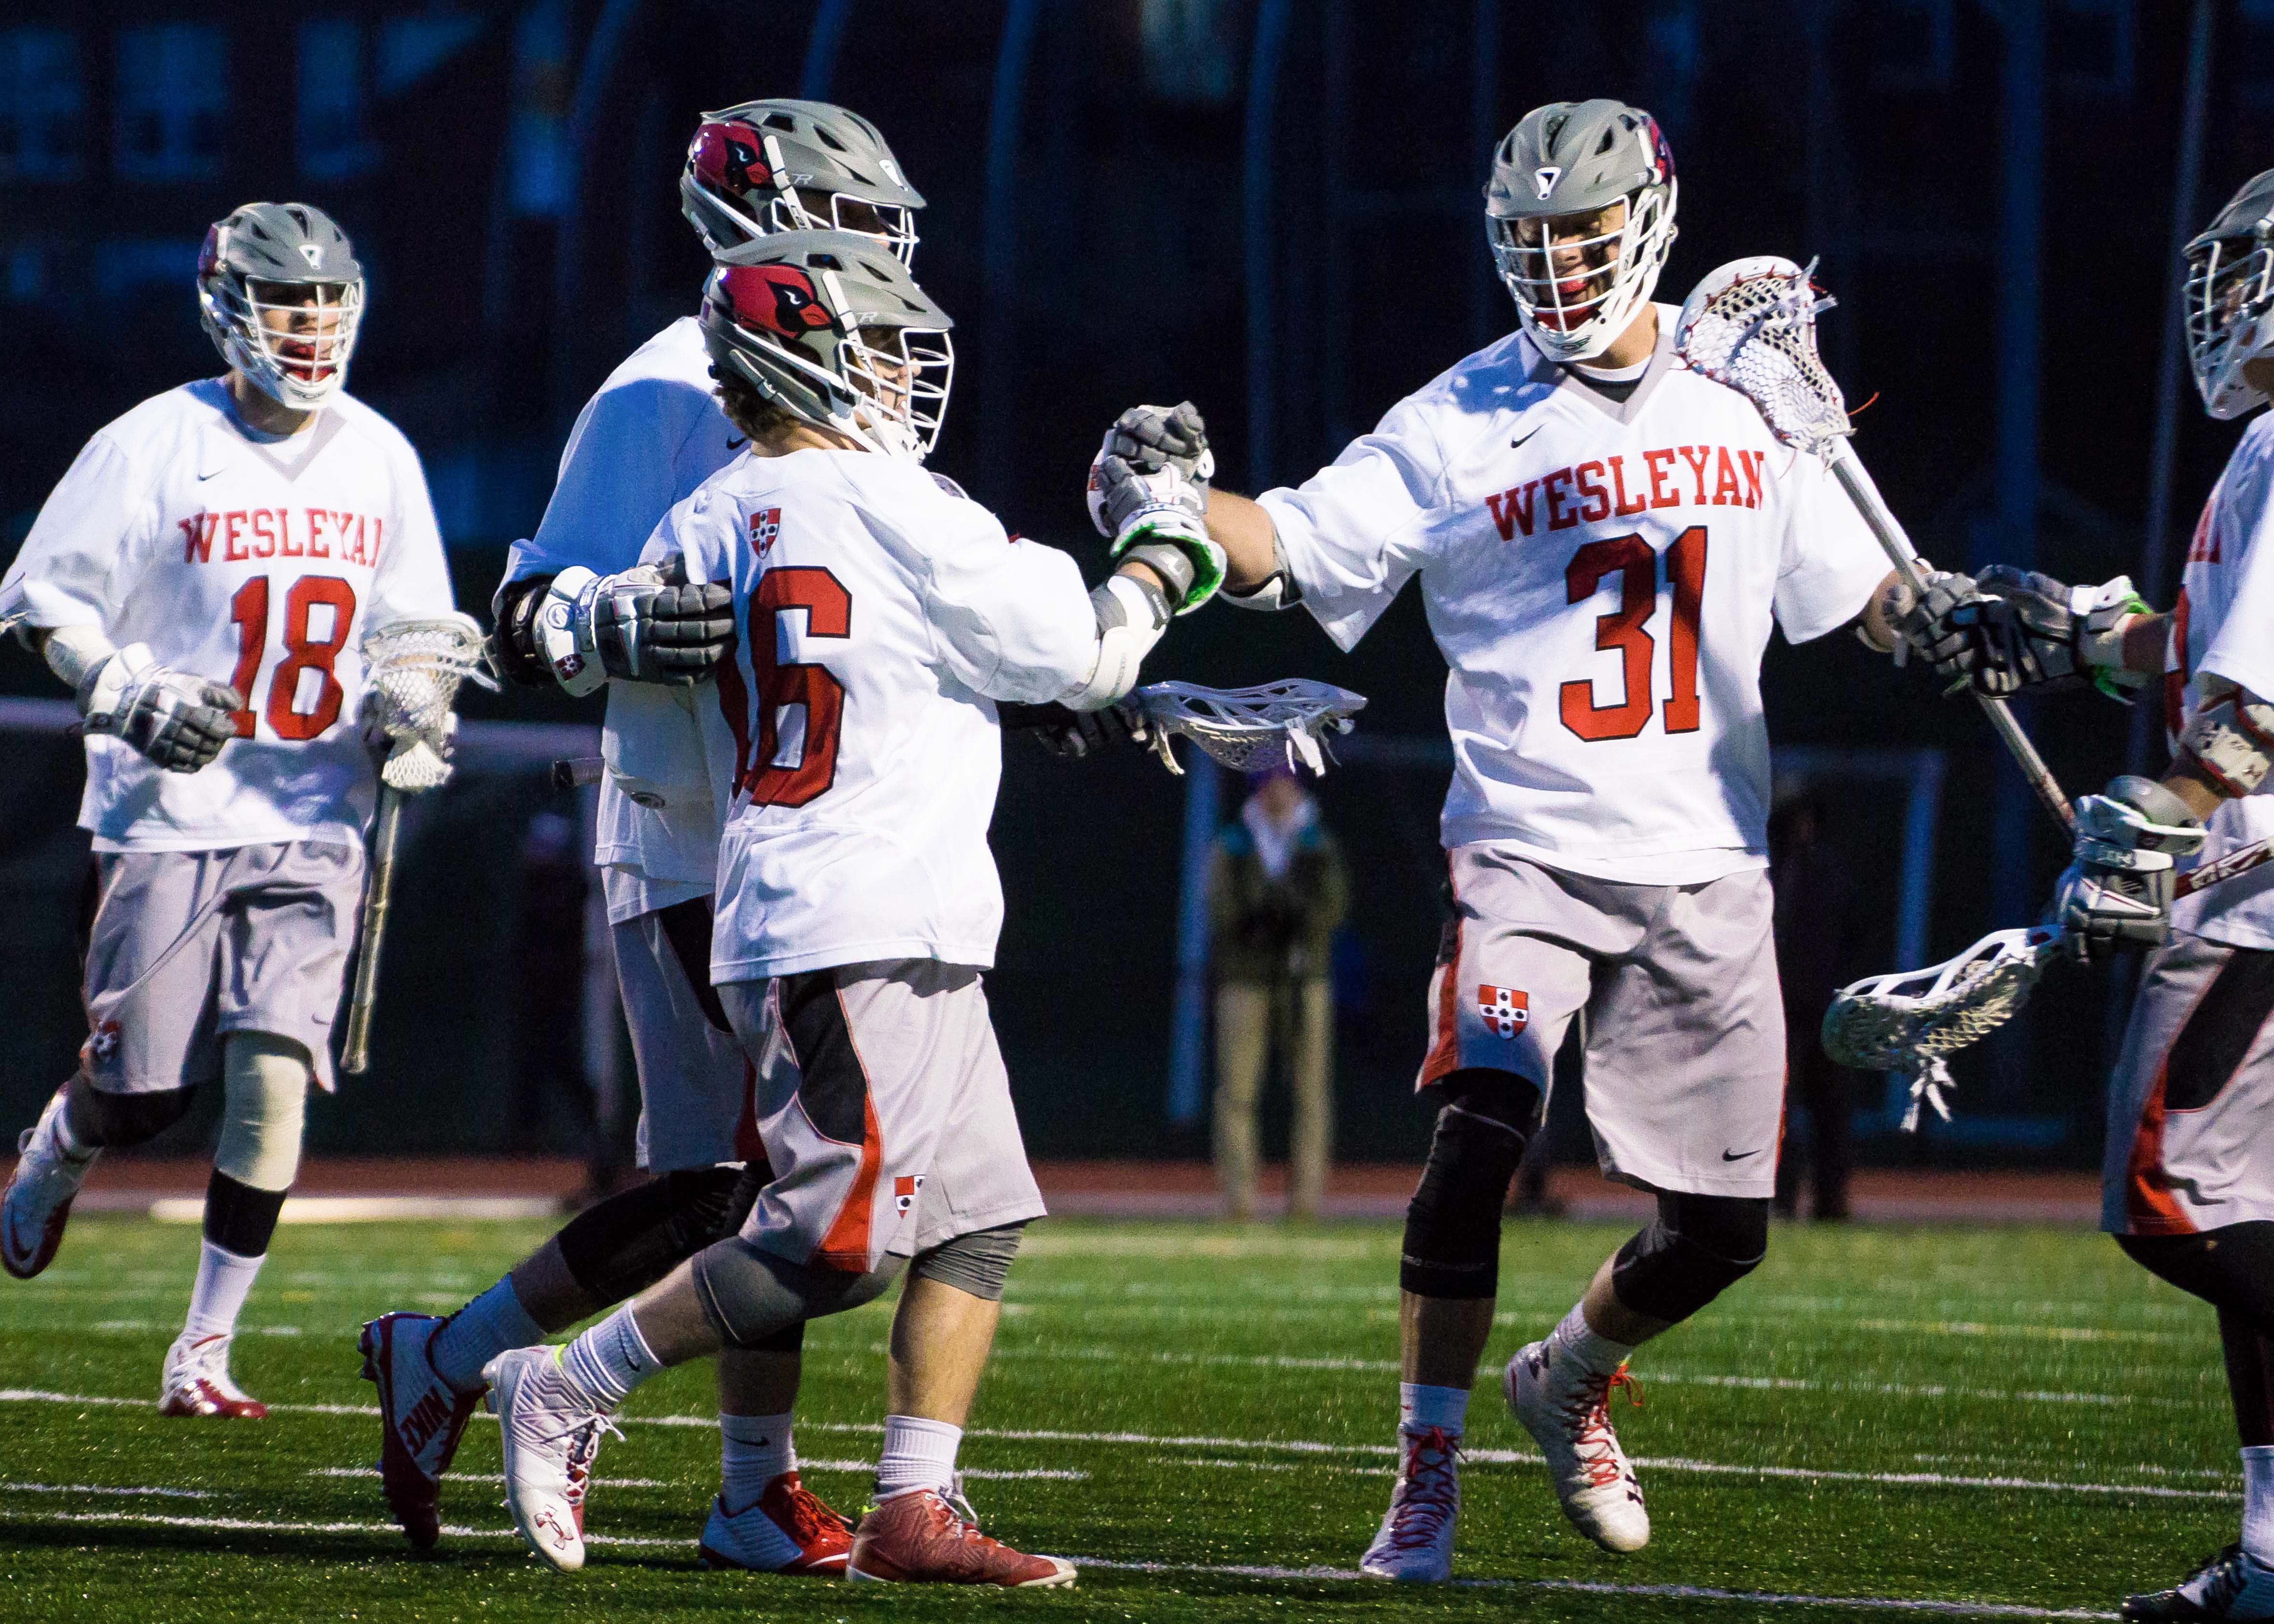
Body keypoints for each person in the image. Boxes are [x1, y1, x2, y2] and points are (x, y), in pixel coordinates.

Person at [1088, 98, 1918, 1580]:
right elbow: (1290, 547)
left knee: (1724, 1228)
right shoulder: (1459, 416)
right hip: (1526, 842)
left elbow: (1861, 598)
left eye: (1584, 235)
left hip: (1707, 855)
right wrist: (1176, 504)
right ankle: (1425, 1471)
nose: (1559, 265)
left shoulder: (1743, 391)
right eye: (1533, 239)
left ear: (1649, 221)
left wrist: (1954, 616)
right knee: (1480, 1129)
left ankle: (1568, 1373)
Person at [479, 230, 1210, 1586]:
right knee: (840, 1239)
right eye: (875, 346)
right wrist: (1165, 539)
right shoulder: (903, 502)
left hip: (829, 899)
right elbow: (1086, 650)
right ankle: (567, 1381)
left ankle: (912, 1506)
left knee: (976, 1217)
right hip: (858, 913)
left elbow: (672, 725)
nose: (898, 374)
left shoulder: (700, 518)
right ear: (801, 359)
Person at [357, 100, 922, 1567]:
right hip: (691, 826)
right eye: (857, 222)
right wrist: (599, 621)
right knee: (754, 1185)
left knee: (747, 1185)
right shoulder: (669, 384)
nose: (883, 251)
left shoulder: (863, 374)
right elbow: (525, 603)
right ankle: (697, 1463)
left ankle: (516, 1383)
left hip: (799, 829)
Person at [0, 203, 462, 1418]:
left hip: (316, 810)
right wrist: (127, 689)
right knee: (144, 1093)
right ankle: (62, 1142)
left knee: (274, 1077)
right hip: (171, 810)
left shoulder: (380, 452)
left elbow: (415, 626)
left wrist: (413, 705)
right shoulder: (153, 442)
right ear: (226, 306)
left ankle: (203, 1348)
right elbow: (40, 599)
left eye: (325, 300)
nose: (308, 324)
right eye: (284, 299)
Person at [1908, 168, 2274, 1623]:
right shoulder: (2257, 450)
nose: (2223, 297)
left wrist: (2169, 811)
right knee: (2245, 1203)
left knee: (2169, 1198)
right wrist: (2071, 636)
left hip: (2256, 895)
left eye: (2250, 268)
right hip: (2247, 881)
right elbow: (2201, 647)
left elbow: (2258, 710)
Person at [1208, 763, 1347, 1220]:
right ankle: (1240, 1203)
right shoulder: (1235, 842)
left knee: (1310, 1092)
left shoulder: (1316, 842)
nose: (1278, 793)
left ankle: (1306, 1203)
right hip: (1245, 979)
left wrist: (1296, 917)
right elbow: (1222, 909)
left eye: (1286, 783)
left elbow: (1332, 907)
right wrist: (1263, 920)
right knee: (1237, 1091)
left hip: (1306, 980)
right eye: (1270, 784)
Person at [1767, 785, 1858, 1222]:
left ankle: (1831, 1202)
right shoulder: (1767, 871)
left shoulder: (1830, 871)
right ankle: (1778, 1198)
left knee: (1831, 1111)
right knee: (1775, 1110)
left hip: (1825, 1007)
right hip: (1778, 1007)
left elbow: (1852, 936)